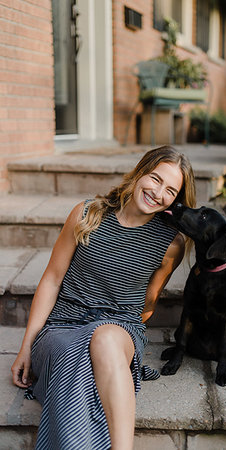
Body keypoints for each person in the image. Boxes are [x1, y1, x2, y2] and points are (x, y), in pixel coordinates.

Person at [11, 145, 196, 450]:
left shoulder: (171, 243)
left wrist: (116, 323)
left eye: (171, 190)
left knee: (106, 339)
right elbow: (52, 279)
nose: (158, 192)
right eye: (155, 178)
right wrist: (26, 347)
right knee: (76, 358)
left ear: (175, 200)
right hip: (64, 326)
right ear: (140, 173)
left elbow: (148, 304)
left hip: (119, 329)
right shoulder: (87, 214)